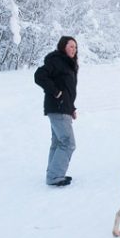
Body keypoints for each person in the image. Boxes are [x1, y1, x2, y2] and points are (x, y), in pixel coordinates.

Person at [34, 36, 79, 186]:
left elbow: (68, 89)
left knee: (58, 142)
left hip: (62, 108)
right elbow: (39, 76)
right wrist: (56, 93)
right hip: (57, 107)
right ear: (63, 47)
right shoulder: (56, 60)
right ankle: (54, 176)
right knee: (68, 142)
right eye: (71, 46)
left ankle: (52, 174)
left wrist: (71, 108)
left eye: (75, 47)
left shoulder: (67, 64)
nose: (74, 49)